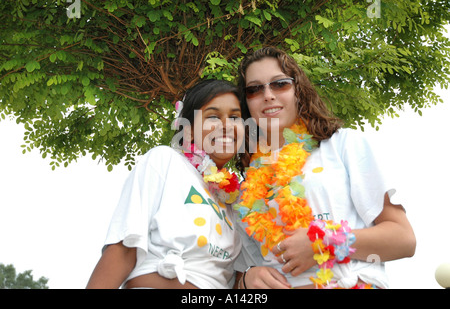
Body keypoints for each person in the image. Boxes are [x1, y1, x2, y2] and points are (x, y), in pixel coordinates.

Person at [233, 47, 416, 289]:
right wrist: (247, 280)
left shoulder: (342, 145)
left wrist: (325, 242)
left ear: (298, 90)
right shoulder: (246, 188)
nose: (267, 95)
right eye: (254, 89)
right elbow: (238, 274)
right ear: (247, 103)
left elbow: (403, 239)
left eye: (280, 84)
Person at [86, 79, 246, 289]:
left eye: (235, 117)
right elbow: (124, 247)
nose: (226, 125)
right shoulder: (164, 161)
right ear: (187, 130)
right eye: (213, 116)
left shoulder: (239, 200)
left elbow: (237, 280)